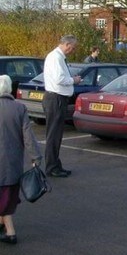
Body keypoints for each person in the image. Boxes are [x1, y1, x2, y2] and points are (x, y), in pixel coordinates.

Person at [0, 75, 42, 245]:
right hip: (12, 164)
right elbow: (28, 136)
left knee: (3, 198)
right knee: (7, 196)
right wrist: (35, 157)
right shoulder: (20, 108)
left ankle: (10, 232)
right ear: (9, 88)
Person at [42, 35, 82, 178]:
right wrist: (74, 80)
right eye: (72, 47)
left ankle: (55, 164)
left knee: (56, 134)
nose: (73, 50)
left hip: (56, 98)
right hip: (55, 99)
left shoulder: (57, 57)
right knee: (54, 135)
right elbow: (59, 79)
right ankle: (51, 167)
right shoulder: (56, 58)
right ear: (66, 44)